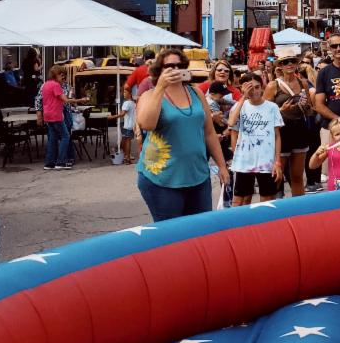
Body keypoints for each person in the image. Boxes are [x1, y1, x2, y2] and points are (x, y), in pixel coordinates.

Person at [136, 49, 229, 221]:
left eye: (179, 66)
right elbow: (147, 124)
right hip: (162, 179)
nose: (175, 69)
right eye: (169, 66)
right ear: (159, 69)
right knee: (170, 236)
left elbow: (209, 132)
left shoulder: (196, 93)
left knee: (199, 231)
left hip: (197, 175)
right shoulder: (149, 95)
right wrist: (160, 88)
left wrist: (222, 166)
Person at [265, 50, 316, 197]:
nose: (289, 64)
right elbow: (265, 113)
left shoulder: (303, 83)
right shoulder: (273, 86)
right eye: (285, 62)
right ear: (279, 65)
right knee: (277, 177)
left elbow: (309, 110)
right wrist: (281, 110)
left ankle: (298, 212)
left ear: (297, 63)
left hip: (299, 131)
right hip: (280, 135)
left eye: (292, 61)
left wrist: (306, 105)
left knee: (297, 176)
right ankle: (274, 211)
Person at [228, 75, 284, 205]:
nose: (254, 91)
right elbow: (231, 124)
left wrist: (277, 162)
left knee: (268, 200)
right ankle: (242, 225)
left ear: (262, 87)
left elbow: (277, 136)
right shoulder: (239, 106)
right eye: (250, 88)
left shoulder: (272, 107)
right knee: (240, 201)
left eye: (257, 87)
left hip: (266, 161)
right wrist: (243, 97)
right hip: (244, 161)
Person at [40, 65, 78, 171]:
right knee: (65, 136)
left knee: (52, 138)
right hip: (56, 115)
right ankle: (61, 161)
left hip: (47, 115)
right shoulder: (56, 85)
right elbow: (65, 100)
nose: (63, 77)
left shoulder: (45, 85)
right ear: (56, 75)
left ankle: (49, 163)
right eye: (61, 75)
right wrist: (80, 100)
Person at [119, 86, 137, 166]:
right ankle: (125, 156)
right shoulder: (133, 103)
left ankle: (127, 158)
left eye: (125, 92)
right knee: (126, 140)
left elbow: (122, 114)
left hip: (127, 125)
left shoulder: (126, 103)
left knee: (127, 141)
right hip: (132, 125)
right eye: (123, 92)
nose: (124, 94)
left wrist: (112, 117)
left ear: (130, 94)